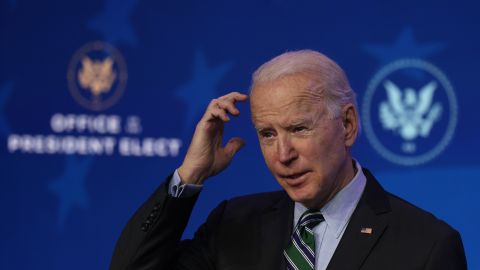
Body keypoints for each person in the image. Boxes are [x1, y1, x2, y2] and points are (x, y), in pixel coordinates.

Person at [109, 50, 467, 270]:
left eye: (298, 128)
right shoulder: (232, 225)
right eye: (267, 134)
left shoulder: (427, 246)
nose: (283, 155)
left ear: (347, 125)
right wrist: (189, 176)